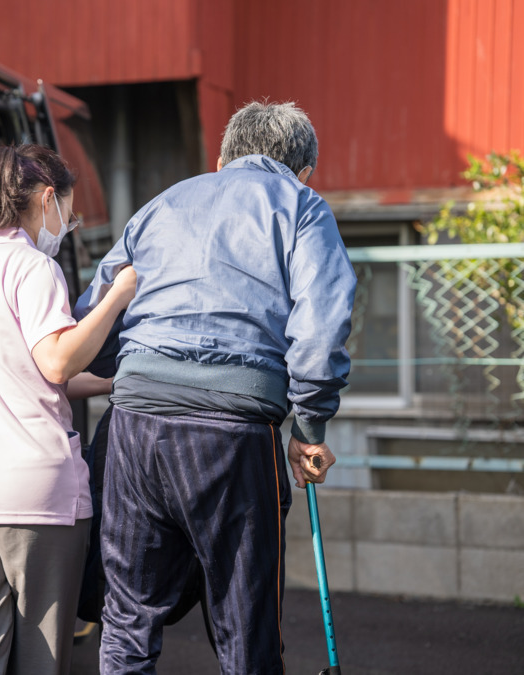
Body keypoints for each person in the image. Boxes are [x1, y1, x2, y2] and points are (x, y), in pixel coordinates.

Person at [74, 101, 357, 674]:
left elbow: (97, 312)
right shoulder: (302, 207)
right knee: (245, 627)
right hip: (233, 433)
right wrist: (308, 427)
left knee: (127, 623)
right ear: (304, 171)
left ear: (223, 158)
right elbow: (321, 329)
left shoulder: (164, 204)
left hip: (134, 424)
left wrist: (130, 365)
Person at [0, 143, 136, 675]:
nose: (66, 223)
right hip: (33, 497)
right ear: (47, 199)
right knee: (38, 659)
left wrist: (112, 378)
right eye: (67, 209)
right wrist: (116, 296)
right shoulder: (35, 267)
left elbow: (25, 376)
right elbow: (58, 361)